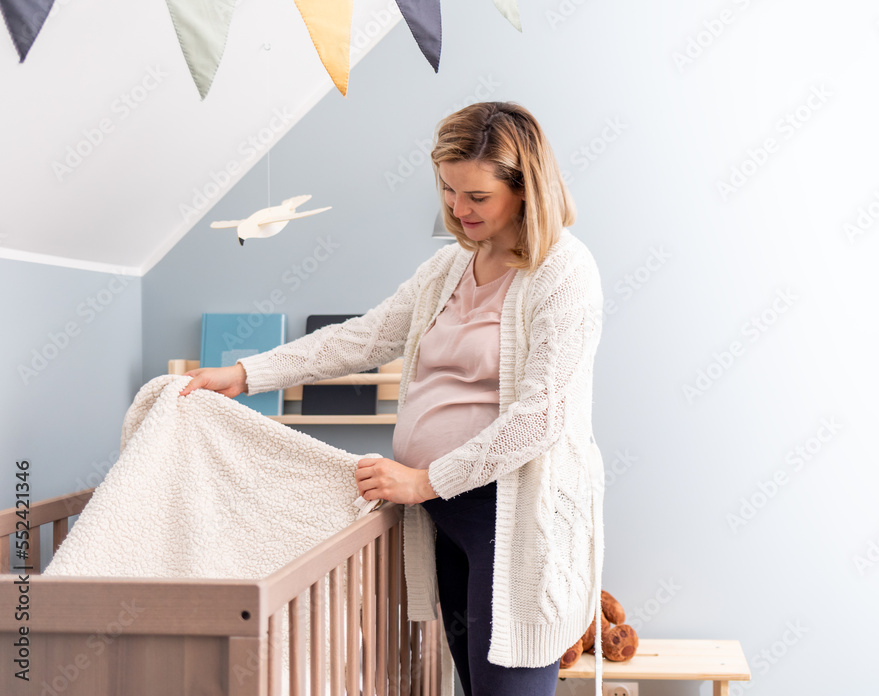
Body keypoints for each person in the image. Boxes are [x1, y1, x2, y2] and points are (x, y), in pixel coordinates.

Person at [179, 101, 606, 696]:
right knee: (471, 681)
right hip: (445, 513)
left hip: (509, 516)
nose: (459, 209)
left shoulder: (564, 273)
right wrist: (249, 373)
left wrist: (422, 482)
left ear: (525, 188)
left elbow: (541, 419)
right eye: (449, 190)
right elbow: (367, 335)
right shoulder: (449, 267)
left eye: (477, 196)